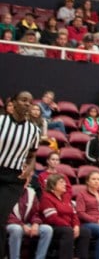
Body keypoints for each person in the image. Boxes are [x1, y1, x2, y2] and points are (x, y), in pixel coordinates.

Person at [0, 92, 40, 256]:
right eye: (23, 100)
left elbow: (32, 156)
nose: (27, 104)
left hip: (13, 179)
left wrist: (30, 167)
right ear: (13, 102)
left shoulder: (34, 131)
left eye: (30, 102)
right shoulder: (1, 121)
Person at [40, 173, 92, 259]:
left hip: (68, 226)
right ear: (53, 184)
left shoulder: (66, 197)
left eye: (64, 182)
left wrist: (76, 226)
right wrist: (69, 226)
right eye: (61, 182)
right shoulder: (46, 198)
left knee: (85, 231)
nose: (65, 184)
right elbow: (52, 218)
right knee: (67, 231)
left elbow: (74, 214)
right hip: (53, 226)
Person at [6, 179, 53, 259]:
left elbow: (36, 212)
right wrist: (22, 225)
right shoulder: (7, 192)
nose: (26, 181)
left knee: (47, 229)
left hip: (27, 225)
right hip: (10, 224)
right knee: (17, 229)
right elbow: (7, 213)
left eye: (27, 179)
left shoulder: (31, 193)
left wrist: (35, 223)